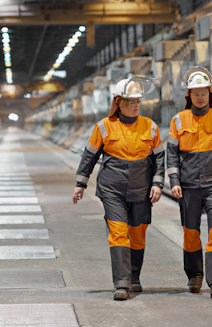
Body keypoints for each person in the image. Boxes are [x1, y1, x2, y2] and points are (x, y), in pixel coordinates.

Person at [73, 77, 165, 300]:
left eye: (138, 102)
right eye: (130, 101)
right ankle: (121, 283)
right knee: (118, 233)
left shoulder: (150, 126)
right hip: (112, 189)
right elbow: (90, 156)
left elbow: (160, 158)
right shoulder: (104, 127)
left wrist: (157, 183)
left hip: (141, 190)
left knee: (138, 234)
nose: (136, 105)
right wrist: (80, 184)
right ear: (118, 102)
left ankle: (134, 277)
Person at [166, 66, 212, 300]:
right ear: (189, 96)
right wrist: (174, 181)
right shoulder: (178, 121)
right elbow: (171, 155)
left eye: (204, 93)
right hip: (188, 187)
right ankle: (194, 275)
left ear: (210, 94)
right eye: (195, 93)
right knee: (191, 233)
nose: (200, 97)